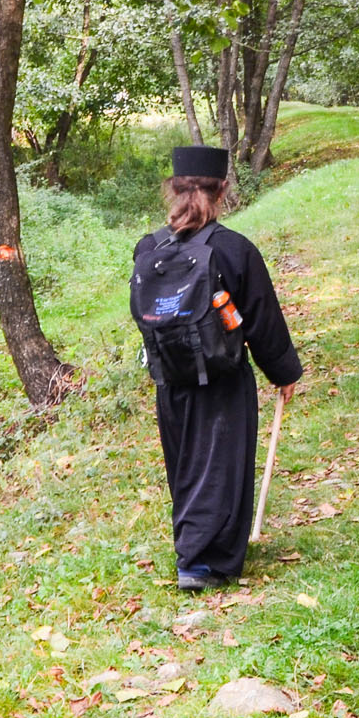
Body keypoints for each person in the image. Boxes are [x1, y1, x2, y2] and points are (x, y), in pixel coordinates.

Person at [138, 145, 301, 589]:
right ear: (223, 190)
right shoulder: (234, 249)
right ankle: (203, 562)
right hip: (224, 376)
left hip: (169, 377)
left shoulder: (148, 248)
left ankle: (192, 548)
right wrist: (283, 371)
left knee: (186, 463)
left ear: (172, 189)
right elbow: (262, 318)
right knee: (222, 466)